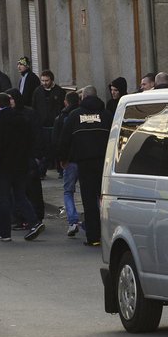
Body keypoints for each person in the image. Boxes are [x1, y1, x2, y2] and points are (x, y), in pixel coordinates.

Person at [57, 86, 112, 246]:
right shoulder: (107, 115)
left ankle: (94, 237)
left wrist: (63, 158)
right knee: (104, 199)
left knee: (89, 200)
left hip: (85, 163)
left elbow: (65, 139)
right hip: (105, 163)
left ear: (83, 98)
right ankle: (109, 234)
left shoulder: (75, 116)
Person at [0, 93, 43, 242]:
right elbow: (30, 141)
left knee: (4, 199)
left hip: (5, 166)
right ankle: (35, 222)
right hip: (21, 164)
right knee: (20, 195)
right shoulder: (22, 120)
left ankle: (5, 233)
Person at [32, 70, 66, 177]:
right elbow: (34, 106)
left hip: (55, 124)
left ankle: (61, 170)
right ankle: (42, 172)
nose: (44, 83)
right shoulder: (38, 91)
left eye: (46, 80)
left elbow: (62, 107)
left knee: (57, 147)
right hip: (43, 125)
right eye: (42, 81)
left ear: (51, 80)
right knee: (45, 149)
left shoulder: (59, 91)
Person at [57, 91, 81, 238]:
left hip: (70, 160)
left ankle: (72, 221)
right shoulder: (82, 114)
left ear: (66, 102)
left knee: (68, 191)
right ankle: (96, 219)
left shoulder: (63, 117)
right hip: (84, 159)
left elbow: (61, 141)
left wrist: (61, 158)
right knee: (90, 191)